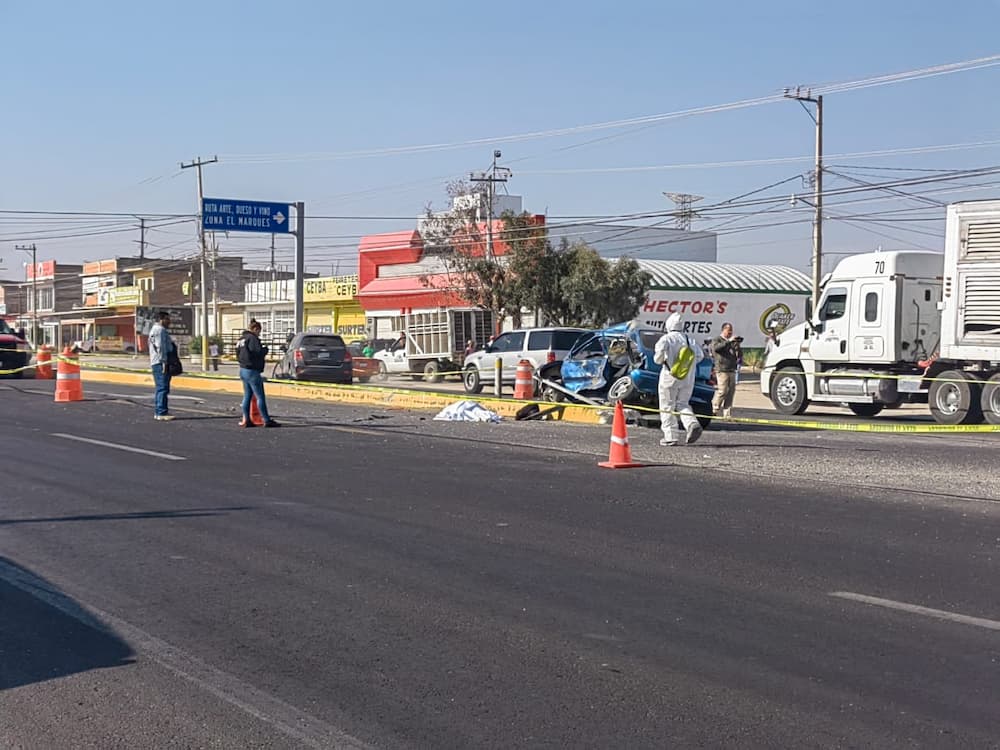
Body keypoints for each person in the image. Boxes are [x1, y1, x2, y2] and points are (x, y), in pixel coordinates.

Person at [654, 312, 704, 446]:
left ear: (668, 325)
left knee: (667, 406)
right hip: (687, 378)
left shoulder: (666, 339)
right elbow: (700, 356)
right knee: (683, 404)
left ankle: (670, 436)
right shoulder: (690, 340)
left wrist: (666, 359)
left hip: (669, 377)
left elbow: (657, 360)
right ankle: (691, 423)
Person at [236, 320, 280, 428]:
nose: (259, 334)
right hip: (252, 371)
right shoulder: (252, 339)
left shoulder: (241, 339)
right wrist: (265, 350)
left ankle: (247, 419)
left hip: (243, 369)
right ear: (255, 329)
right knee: (260, 396)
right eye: (259, 331)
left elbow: (238, 353)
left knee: (247, 396)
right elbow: (257, 352)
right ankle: (266, 419)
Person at [148, 311, 175, 421]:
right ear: (161, 319)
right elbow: (161, 347)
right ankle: (161, 412)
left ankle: (159, 411)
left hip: (156, 362)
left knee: (161, 388)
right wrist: (164, 362)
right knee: (163, 388)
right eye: (167, 319)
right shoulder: (160, 330)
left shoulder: (154, 330)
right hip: (160, 362)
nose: (169, 322)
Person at [711, 322, 742, 419]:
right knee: (723, 390)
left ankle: (727, 413)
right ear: (723, 330)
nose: (730, 333)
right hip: (722, 369)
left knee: (731, 392)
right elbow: (716, 349)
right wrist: (729, 341)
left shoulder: (731, 342)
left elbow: (739, 355)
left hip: (732, 369)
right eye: (728, 331)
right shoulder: (717, 340)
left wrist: (737, 346)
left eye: (731, 331)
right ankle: (714, 408)